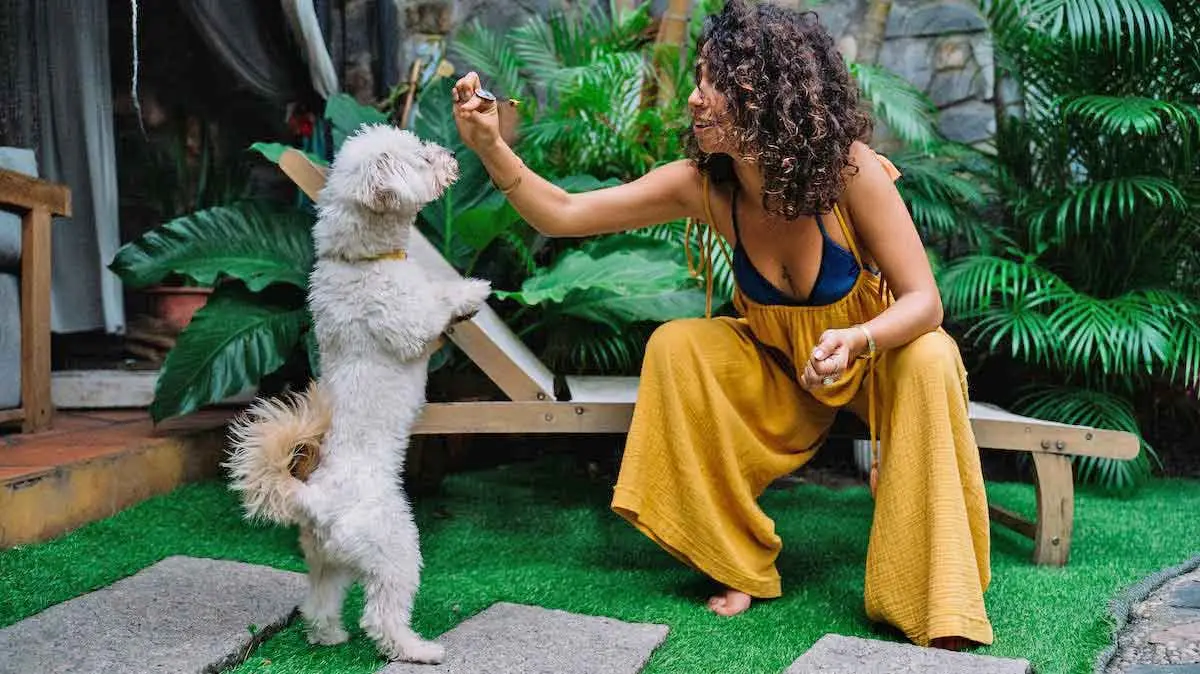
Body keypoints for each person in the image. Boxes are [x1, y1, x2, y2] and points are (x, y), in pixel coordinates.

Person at [450, 0, 993, 651]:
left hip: (877, 361)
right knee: (680, 344)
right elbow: (564, 213)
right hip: (783, 375)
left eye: (718, 82)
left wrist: (859, 339)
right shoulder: (705, 186)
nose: (697, 99)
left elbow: (924, 301)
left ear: (769, 91)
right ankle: (735, 559)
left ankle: (936, 600)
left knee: (931, 354)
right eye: (699, 79)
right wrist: (490, 145)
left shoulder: (851, 172)